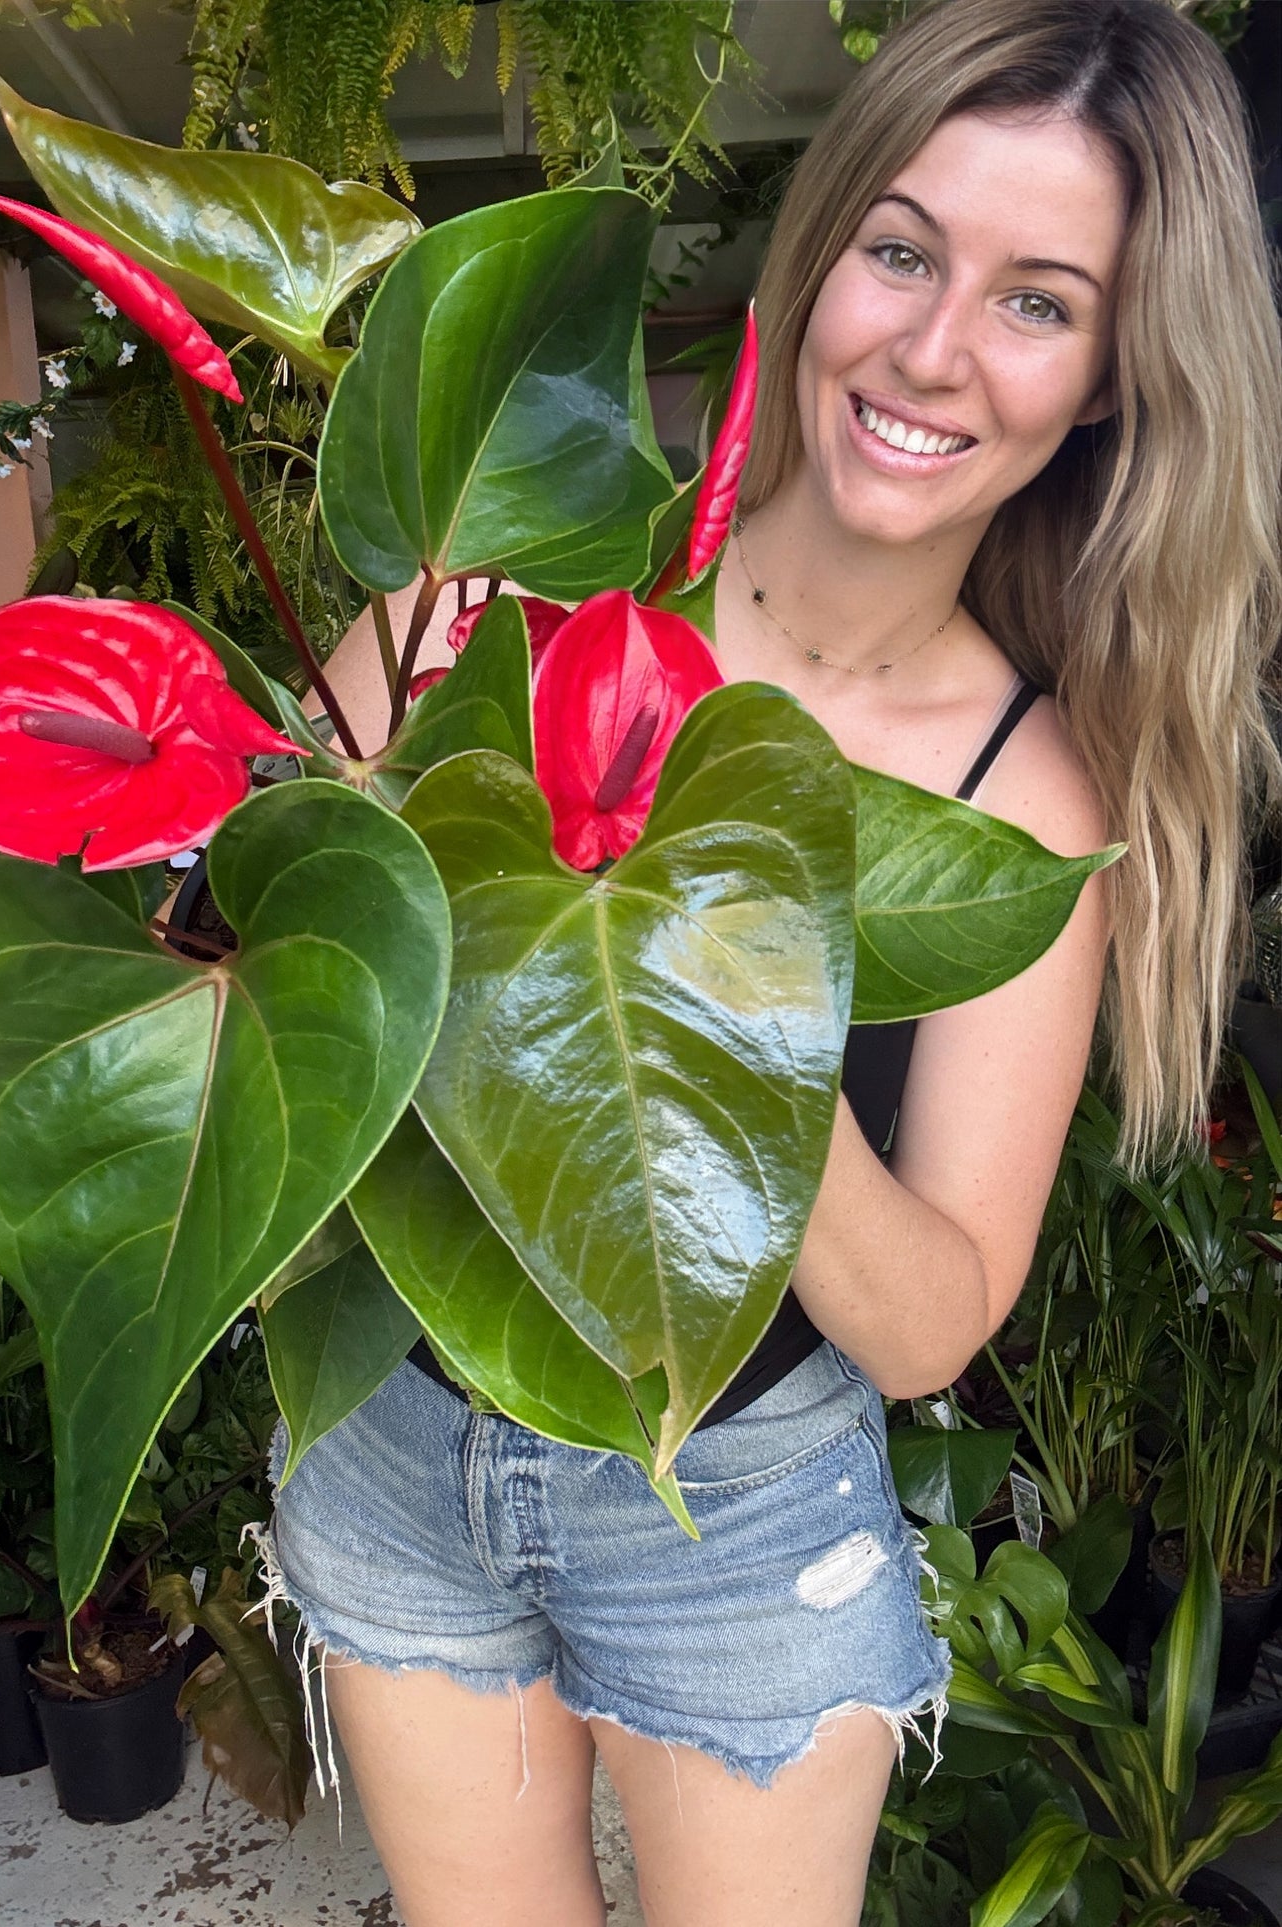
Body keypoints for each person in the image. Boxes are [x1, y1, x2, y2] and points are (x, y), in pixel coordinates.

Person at [262, 1, 1282, 1919]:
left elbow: (926, 1327)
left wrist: (702, 1007)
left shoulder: (1017, 798)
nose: (931, 348)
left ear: (1109, 382)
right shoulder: (509, 590)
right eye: (901, 251)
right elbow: (269, 948)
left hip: (731, 1516)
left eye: (1036, 302)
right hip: (397, 1433)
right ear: (819, 260)